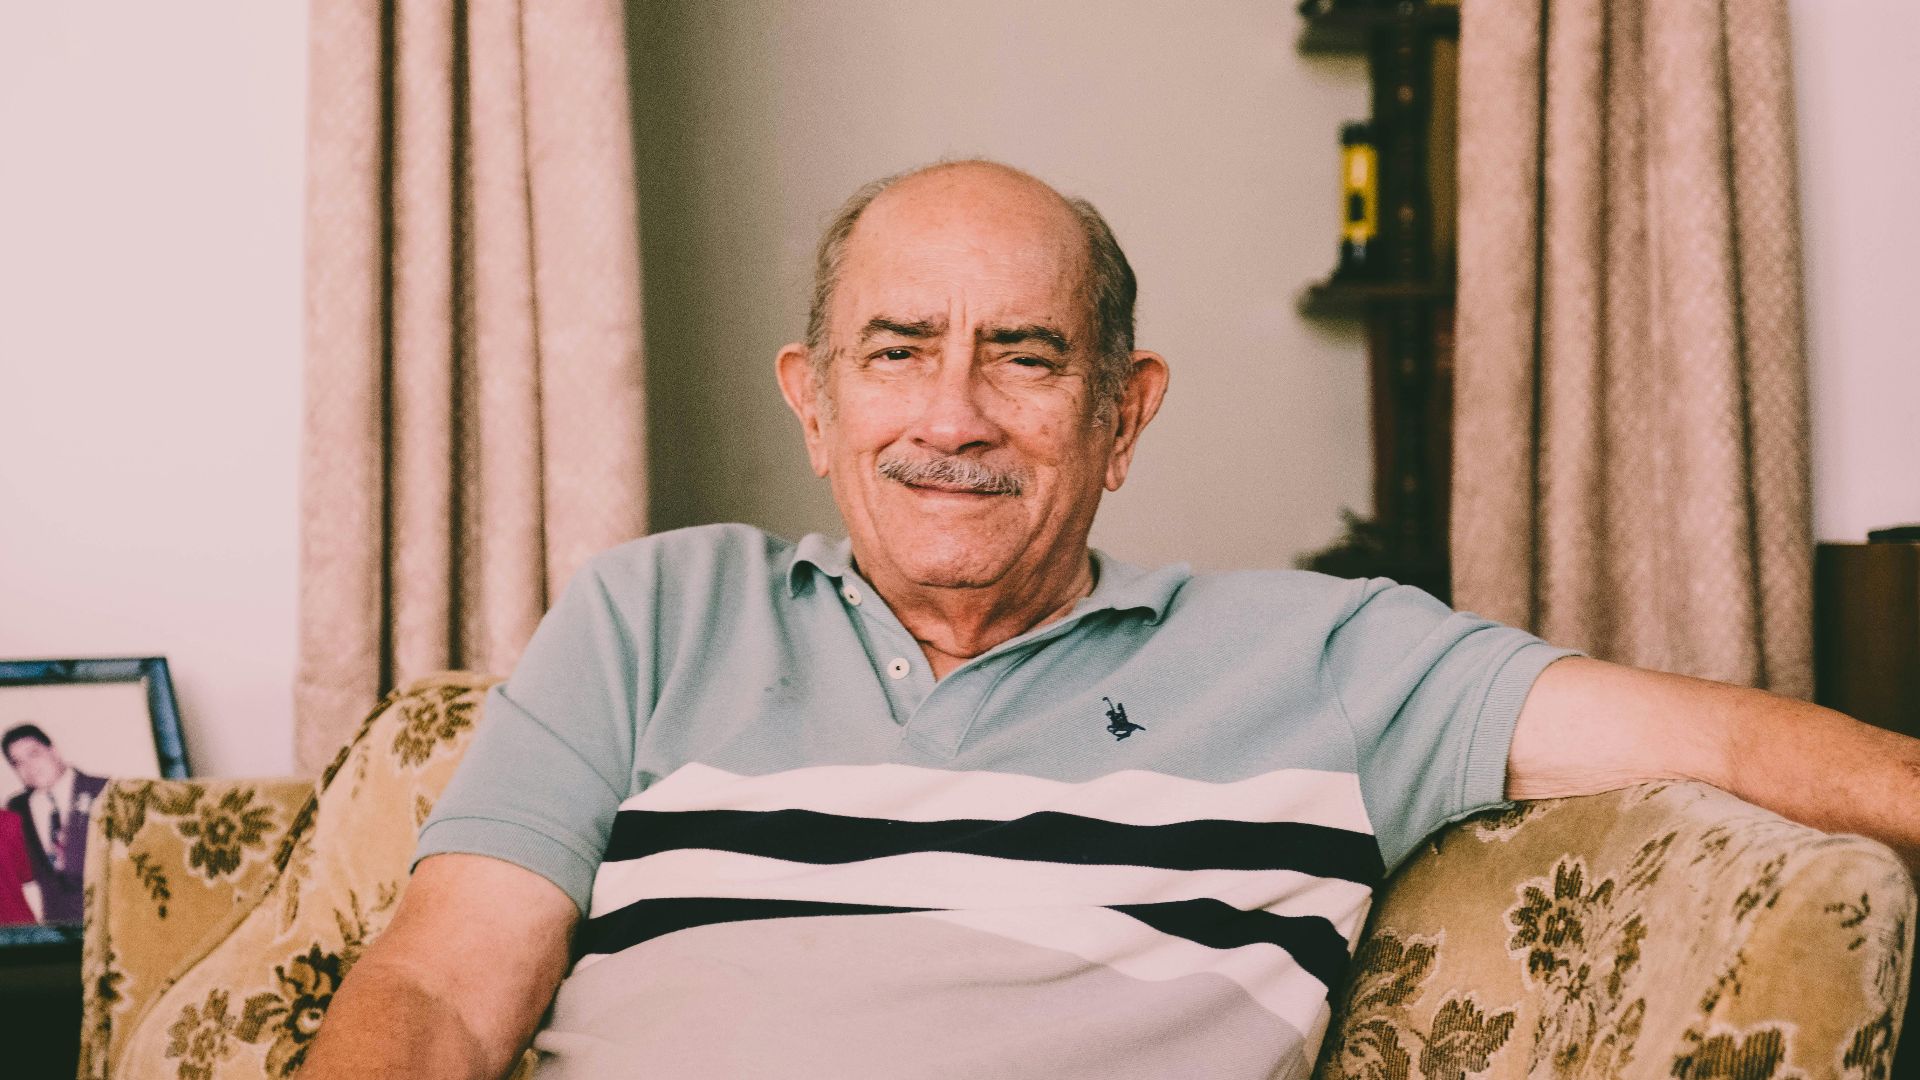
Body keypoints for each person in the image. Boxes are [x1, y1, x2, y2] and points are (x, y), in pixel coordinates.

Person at [303, 160, 1920, 1079]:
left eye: (1021, 351)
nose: (954, 413)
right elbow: (443, 995)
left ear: (1120, 411)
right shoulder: (655, 609)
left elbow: (1721, 735)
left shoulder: (1328, 658)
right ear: (812, 400)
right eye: (893, 350)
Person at [2, 723, 107, 924]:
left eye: (33, 754)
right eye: (18, 763)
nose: (28, 767)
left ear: (54, 751)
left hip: (112, 924)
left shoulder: (104, 791)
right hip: (59, 932)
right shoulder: (17, 808)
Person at [0, 807, 36, 925]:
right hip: (19, 925)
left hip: (17, 927)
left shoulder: (12, 821)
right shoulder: (12, 821)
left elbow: (29, 878)